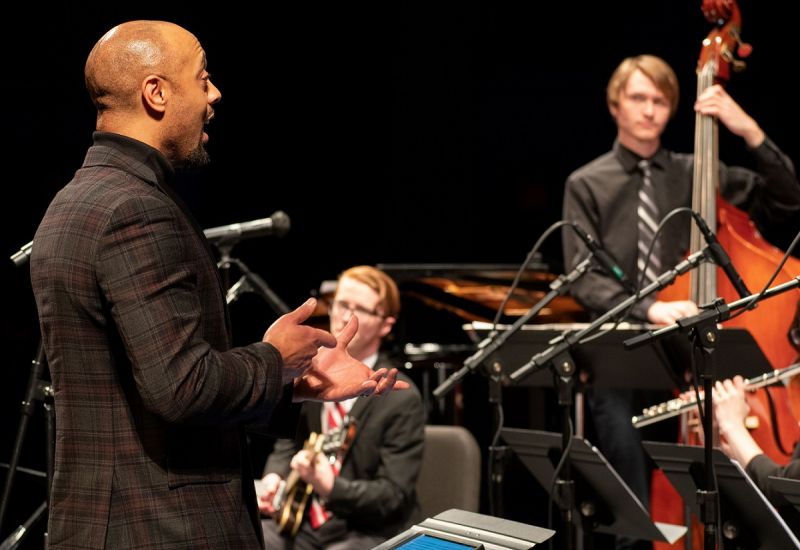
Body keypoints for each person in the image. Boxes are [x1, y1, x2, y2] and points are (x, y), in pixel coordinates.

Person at [29, 21, 407, 550]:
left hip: (102, 522)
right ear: (156, 92)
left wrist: (288, 384)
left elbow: (137, 388)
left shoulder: (72, 202)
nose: (215, 93)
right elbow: (182, 387)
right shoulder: (135, 209)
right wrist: (275, 358)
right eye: (202, 78)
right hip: (161, 528)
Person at [561, 54, 800, 549]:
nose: (650, 110)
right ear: (615, 105)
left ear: (674, 109)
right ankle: (637, 539)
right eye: (639, 98)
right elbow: (584, 278)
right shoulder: (587, 183)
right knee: (623, 453)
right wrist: (650, 308)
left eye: (661, 100)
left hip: (697, 345)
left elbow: (786, 199)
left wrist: (747, 128)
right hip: (629, 347)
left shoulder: (699, 169)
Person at [257, 265, 426, 549]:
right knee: (247, 535)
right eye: (341, 304)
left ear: (386, 325)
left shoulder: (400, 396)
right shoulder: (309, 372)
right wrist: (274, 477)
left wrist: (332, 487)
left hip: (366, 530)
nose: (345, 317)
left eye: (359, 309)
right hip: (303, 524)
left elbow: (394, 495)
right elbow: (287, 446)